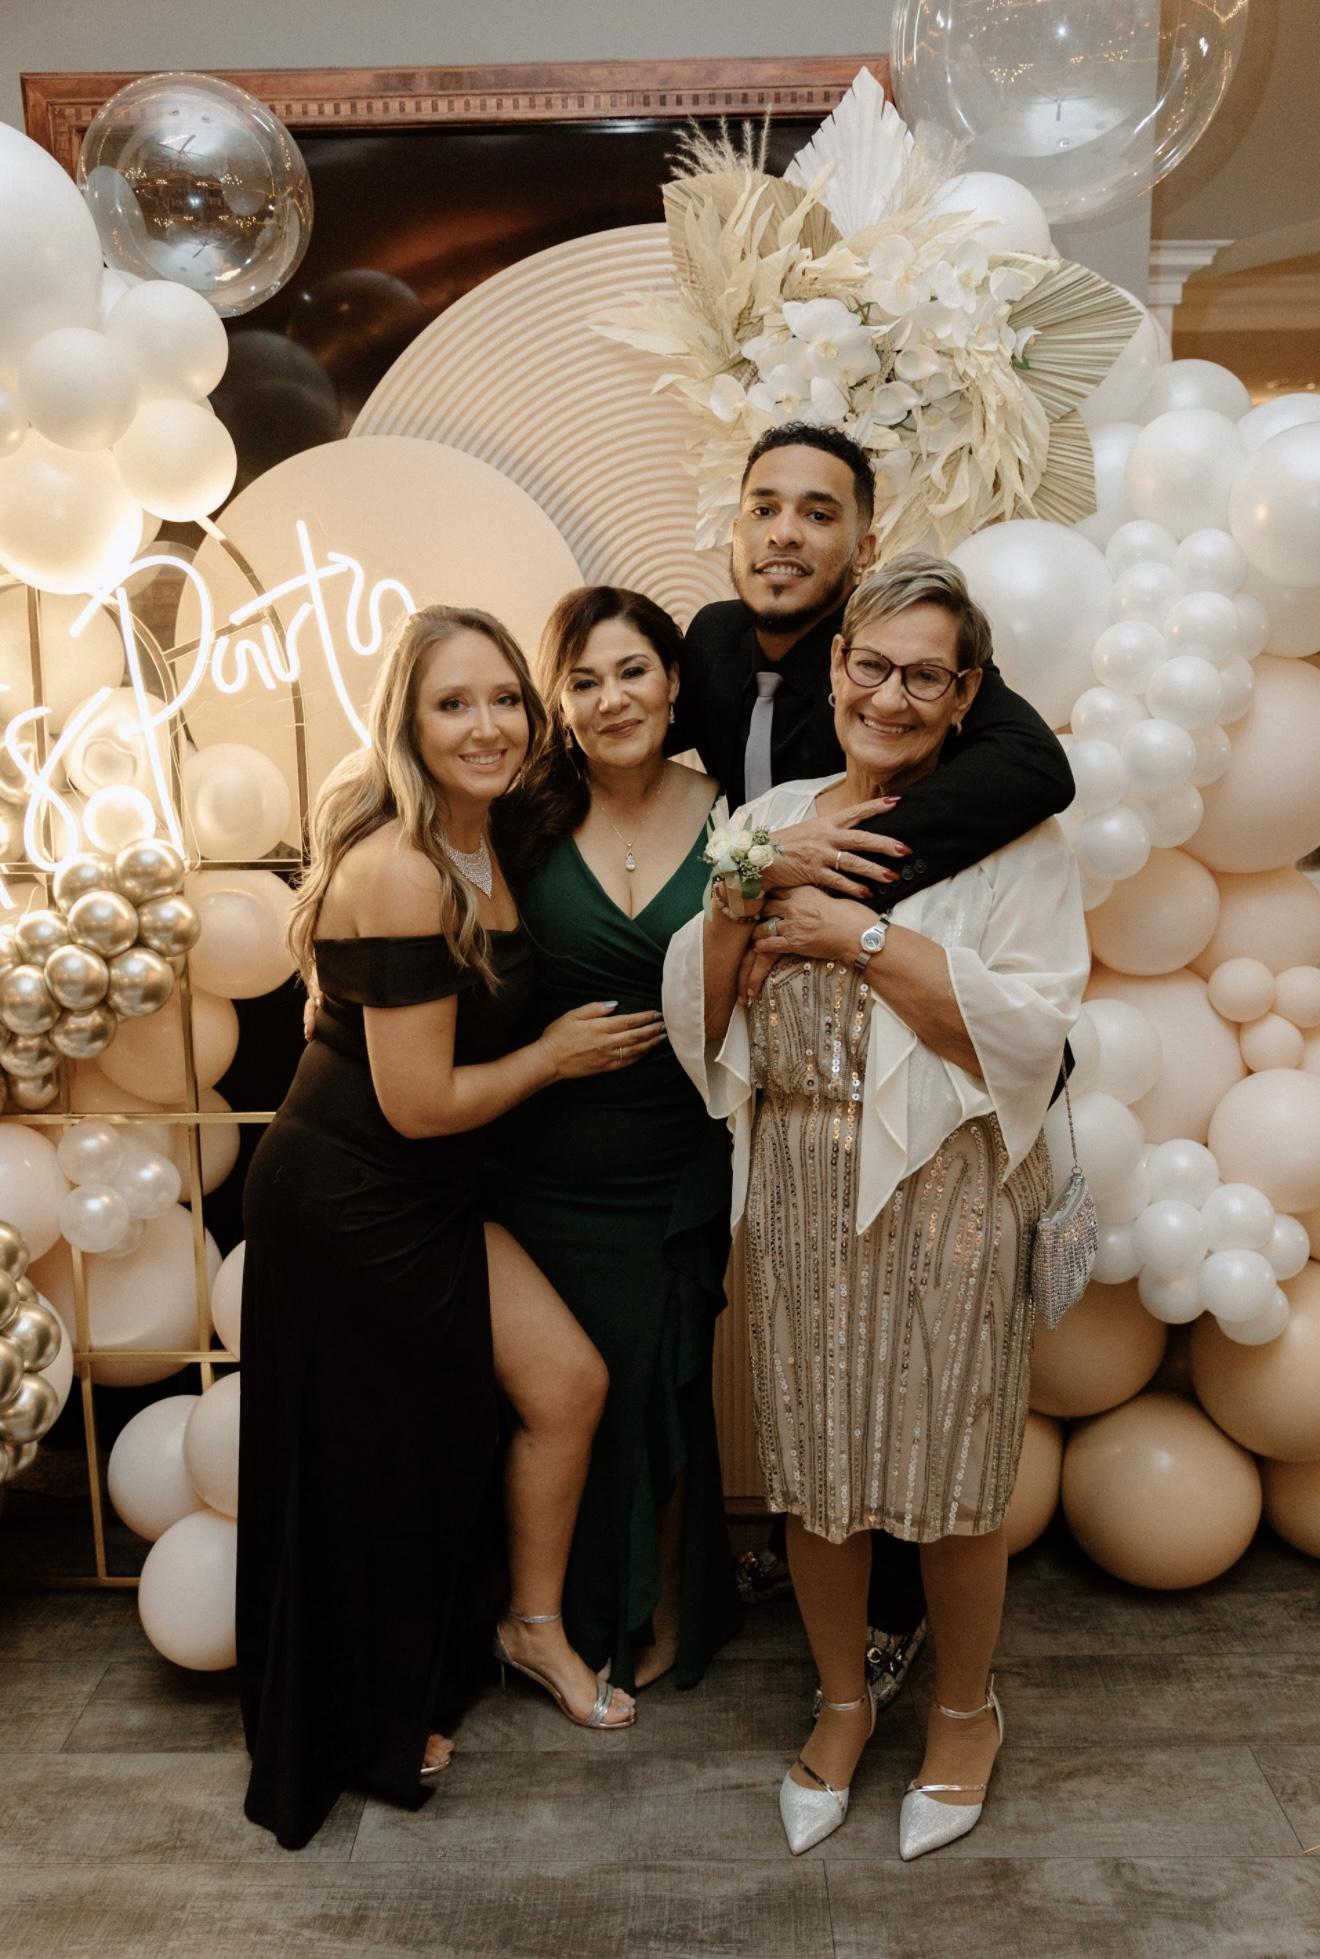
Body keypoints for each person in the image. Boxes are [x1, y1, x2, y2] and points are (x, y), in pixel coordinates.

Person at [664, 555, 1089, 1859]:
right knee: (817, 1476)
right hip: (798, 1176)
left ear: (967, 693)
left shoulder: (1017, 841)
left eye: (925, 675)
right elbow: (702, 1015)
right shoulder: (774, 816)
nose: (890, 696)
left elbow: (1029, 1028)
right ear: (838, 663)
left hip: (954, 1183)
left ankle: (965, 1711)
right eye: (871, 665)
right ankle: (844, 1700)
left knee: (954, 1475)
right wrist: (742, 896)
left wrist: (856, 935)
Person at [238, 604, 658, 1850]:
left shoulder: (493, 839)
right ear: (408, 727)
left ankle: (530, 1627)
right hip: (351, 1196)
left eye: (504, 700)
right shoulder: (404, 868)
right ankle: (372, 1708)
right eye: (453, 704)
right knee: (390, 1458)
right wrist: (555, 1058)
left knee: (566, 1385)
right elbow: (418, 1104)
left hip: (424, 1189)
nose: (487, 726)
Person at [493, 586, 743, 1693]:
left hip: (681, 1158)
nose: (611, 699)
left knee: (665, 1384)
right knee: (561, 1399)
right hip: (541, 1165)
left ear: (673, 681)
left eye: (632, 671)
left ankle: (670, 1600)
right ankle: (559, 1613)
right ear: (558, 701)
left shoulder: (740, 813)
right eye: (583, 681)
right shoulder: (520, 819)